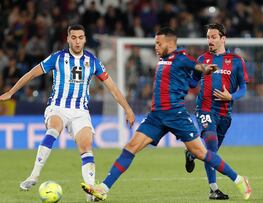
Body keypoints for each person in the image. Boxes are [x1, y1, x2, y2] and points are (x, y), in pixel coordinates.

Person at [80, 27, 251, 201]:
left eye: (158, 43)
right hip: (156, 115)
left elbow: (197, 66)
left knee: (202, 153)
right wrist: (194, 76)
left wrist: (205, 68)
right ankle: (103, 187)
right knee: (130, 148)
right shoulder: (163, 59)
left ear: (169, 44)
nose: (155, 46)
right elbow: (192, 80)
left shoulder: (182, 57)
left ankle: (238, 179)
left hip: (176, 114)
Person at [0, 24, 135, 202]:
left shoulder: (93, 61)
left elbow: (112, 88)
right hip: (57, 107)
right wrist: (11, 92)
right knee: (54, 128)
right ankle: (33, 176)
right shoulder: (57, 58)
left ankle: (91, 193)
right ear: (68, 39)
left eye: (80, 37)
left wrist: (128, 109)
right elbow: (31, 74)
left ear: (85, 39)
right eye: (73, 37)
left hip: (80, 111)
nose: (77, 41)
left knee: (86, 146)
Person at [184, 23, 249, 200]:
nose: (210, 40)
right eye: (208, 37)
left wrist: (232, 97)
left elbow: (243, 88)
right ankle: (213, 189)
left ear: (223, 38)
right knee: (211, 143)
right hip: (204, 108)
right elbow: (192, 83)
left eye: (213, 37)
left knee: (210, 154)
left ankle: (191, 153)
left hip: (224, 114)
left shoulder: (236, 61)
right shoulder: (202, 59)